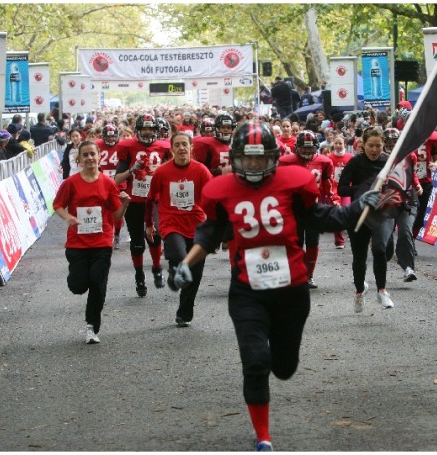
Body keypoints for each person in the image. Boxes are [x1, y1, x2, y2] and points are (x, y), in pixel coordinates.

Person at [171, 120, 380, 451]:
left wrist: (358, 206)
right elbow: (210, 233)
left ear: (272, 157)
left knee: (283, 368)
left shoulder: (292, 184)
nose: (254, 165)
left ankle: (276, 368)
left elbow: (322, 217)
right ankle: (263, 437)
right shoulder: (222, 190)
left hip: (291, 290)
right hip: (247, 289)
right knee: (255, 362)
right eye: (247, 158)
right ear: (236, 158)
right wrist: (187, 262)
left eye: (260, 158)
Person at [53, 140, 131, 344]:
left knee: (98, 282)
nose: (89, 158)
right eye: (85, 155)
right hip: (77, 243)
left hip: (102, 242)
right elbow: (57, 205)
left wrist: (125, 204)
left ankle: (92, 326)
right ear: (79, 159)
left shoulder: (108, 183)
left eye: (92, 154)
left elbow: (116, 216)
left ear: (99, 157)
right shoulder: (70, 183)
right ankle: (77, 279)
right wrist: (68, 217)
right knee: (78, 286)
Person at [145, 133, 213, 327]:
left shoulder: (201, 170)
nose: (181, 148)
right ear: (172, 149)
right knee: (178, 256)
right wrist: (149, 224)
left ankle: (184, 313)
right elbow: (150, 199)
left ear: (191, 147)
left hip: (197, 223)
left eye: (185, 144)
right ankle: (175, 271)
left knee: (194, 273)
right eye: (177, 145)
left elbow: (212, 198)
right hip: (171, 223)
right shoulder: (162, 172)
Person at [338, 127, 397, 313]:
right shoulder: (355, 162)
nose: (374, 150)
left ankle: (382, 290)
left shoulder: (388, 162)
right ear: (362, 145)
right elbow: (341, 189)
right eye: (371, 145)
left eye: (378, 146)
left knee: (379, 249)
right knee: (359, 256)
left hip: (381, 213)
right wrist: (361, 190)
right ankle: (359, 291)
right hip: (359, 214)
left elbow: (398, 185)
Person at [114, 114, 172, 297]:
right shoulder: (127, 147)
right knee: (137, 241)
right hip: (135, 201)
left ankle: (157, 268)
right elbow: (117, 178)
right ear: (137, 130)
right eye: (144, 129)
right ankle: (139, 275)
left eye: (151, 129)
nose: (147, 132)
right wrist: (132, 170)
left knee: (155, 237)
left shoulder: (164, 147)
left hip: (155, 201)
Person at [278, 130, 336, 289]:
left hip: (313, 208)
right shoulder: (285, 161)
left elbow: (329, 185)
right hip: (292, 208)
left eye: (310, 148)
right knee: (295, 243)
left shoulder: (324, 162)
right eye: (304, 148)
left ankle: (309, 275)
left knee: (312, 242)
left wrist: (334, 199)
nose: (307, 151)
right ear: (297, 147)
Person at [382, 127, 420, 282]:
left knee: (405, 231)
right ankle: (385, 253)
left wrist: (417, 185)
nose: (392, 145)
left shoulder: (409, 155)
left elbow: (412, 172)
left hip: (406, 199)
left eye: (394, 141)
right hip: (386, 201)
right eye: (389, 142)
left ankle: (408, 267)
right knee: (385, 235)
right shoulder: (379, 158)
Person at [95, 124, 126, 248]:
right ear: (103, 137)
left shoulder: (122, 146)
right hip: (102, 181)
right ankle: (105, 233)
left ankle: (116, 234)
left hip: (118, 182)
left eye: (113, 136)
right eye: (108, 137)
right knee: (103, 210)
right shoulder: (97, 144)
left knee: (117, 210)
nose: (111, 139)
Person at [328, 134, 353, 248]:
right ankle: (339, 240)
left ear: (345, 144)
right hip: (334, 188)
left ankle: (351, 234)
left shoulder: (350, 157)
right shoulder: (329, 158)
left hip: (346, 188)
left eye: (340, 143)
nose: (338, 145)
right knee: (336, 213)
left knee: (347, 212)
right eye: (336, 143)